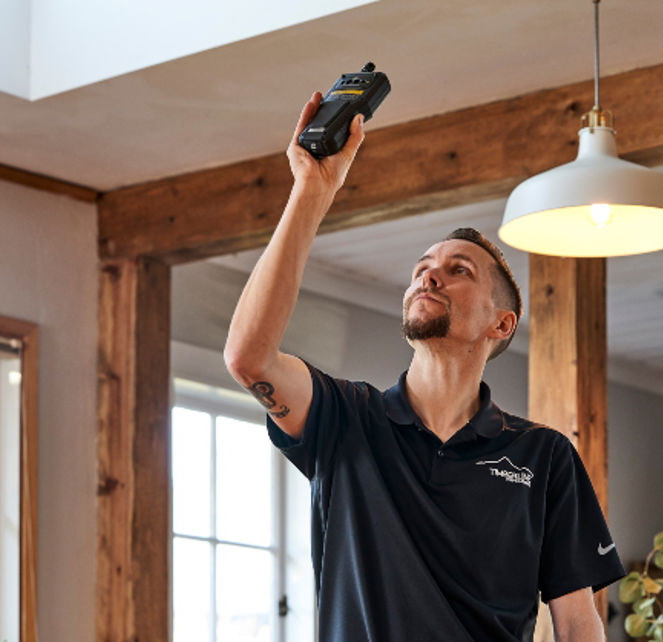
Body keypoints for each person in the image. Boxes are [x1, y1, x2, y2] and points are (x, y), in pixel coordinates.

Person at [224, 92, 625, 642]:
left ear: (501, 323)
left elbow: (578, 622)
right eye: (421, 269)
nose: (429, 277)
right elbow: (249, 358)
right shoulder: (345, 419)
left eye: (458, 270)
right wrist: (311, 192)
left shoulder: (544, 457)